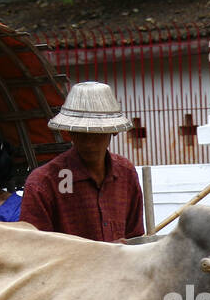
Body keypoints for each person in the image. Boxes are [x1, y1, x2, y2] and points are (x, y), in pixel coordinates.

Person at [20, 82, 145, 242]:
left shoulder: (126, 174)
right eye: (80, 132)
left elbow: (135, 237)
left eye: (97, 132)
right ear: (69, 132)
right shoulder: (44, 183)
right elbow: (34, 247)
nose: (88, 142)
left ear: (113, 131)